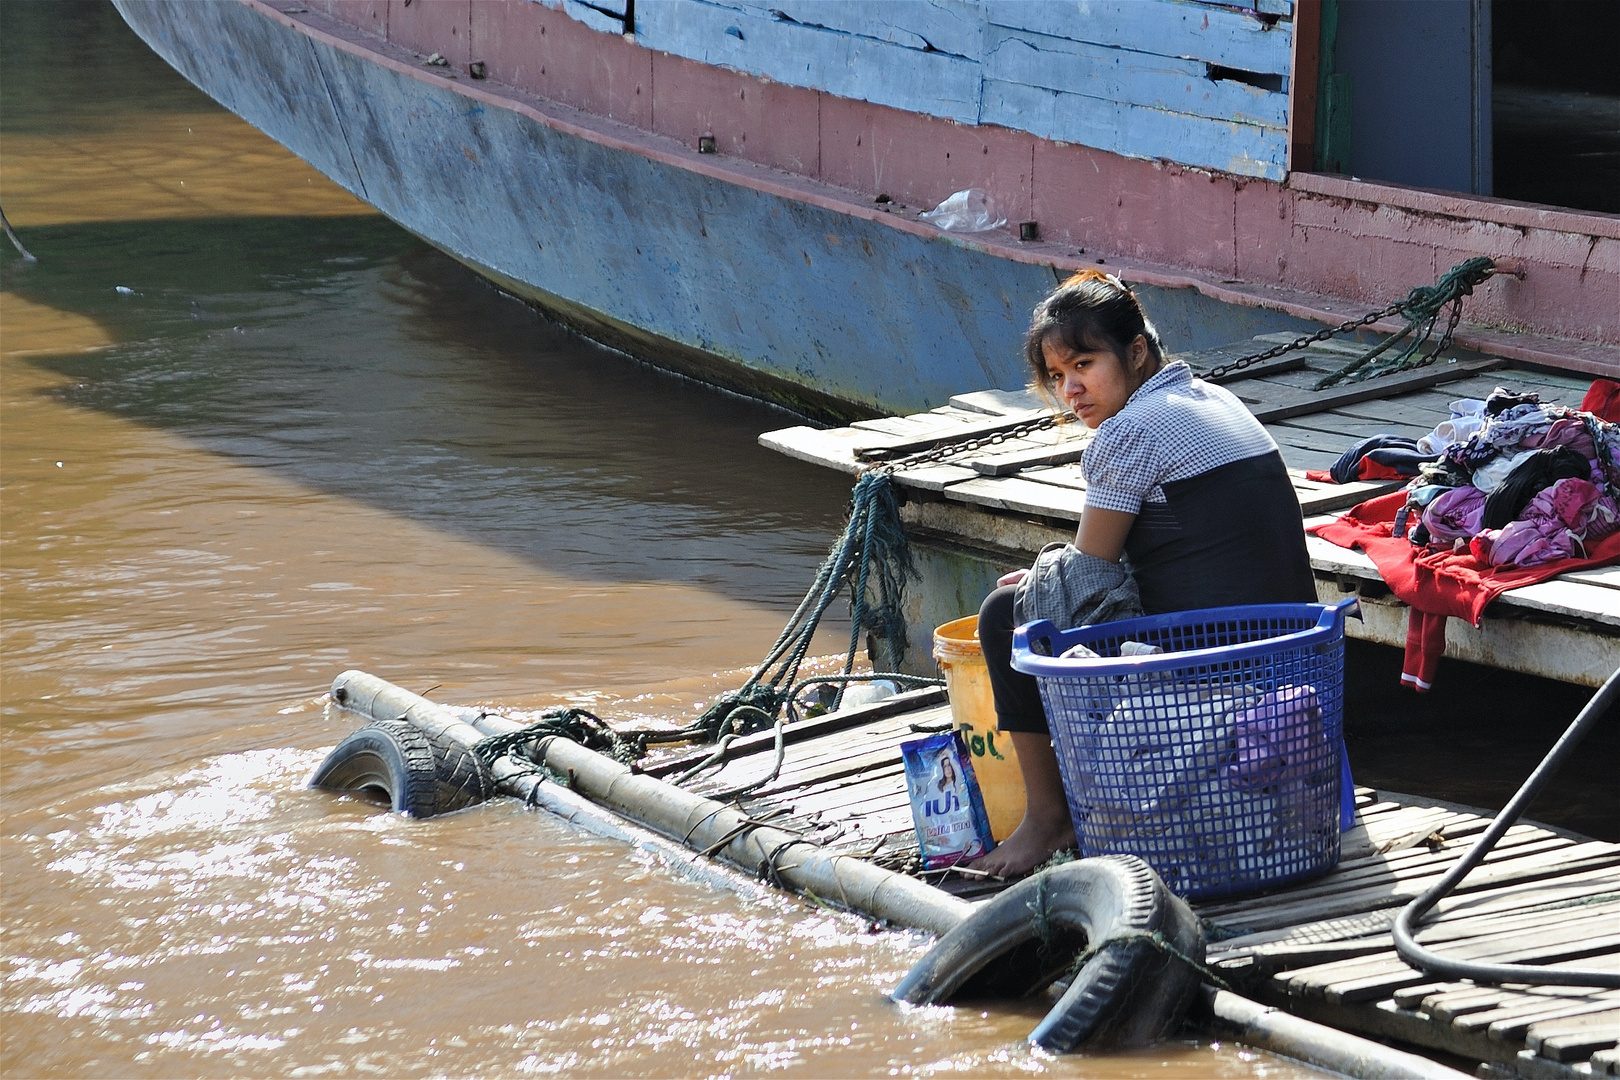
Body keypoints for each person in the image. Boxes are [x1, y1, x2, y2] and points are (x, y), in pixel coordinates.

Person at [967, 270, 1316, 878]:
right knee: (1038, 591)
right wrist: (1052, 576)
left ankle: (1047, 818)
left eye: (1084, 364)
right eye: (1057, 376)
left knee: (1005, 616)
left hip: (1216, 661)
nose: (1071, 389)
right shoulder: (1213, 398)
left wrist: (1042, 582)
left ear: (1135, 351)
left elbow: (1089, 569)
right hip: (1289, 648)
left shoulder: (1129, 432)